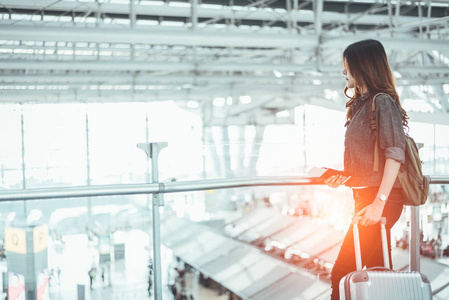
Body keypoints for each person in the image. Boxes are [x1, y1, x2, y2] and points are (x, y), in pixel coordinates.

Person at [324, 39, 408, 299]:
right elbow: (367, 159)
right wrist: (342, 177)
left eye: (346, 66)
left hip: (380, 199)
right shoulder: (362, 104)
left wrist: (378, 204)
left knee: (341, 274)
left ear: (363, 67)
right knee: (379, 274)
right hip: (364, 197)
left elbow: (394, 155)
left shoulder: (382, 102)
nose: (343, 72)